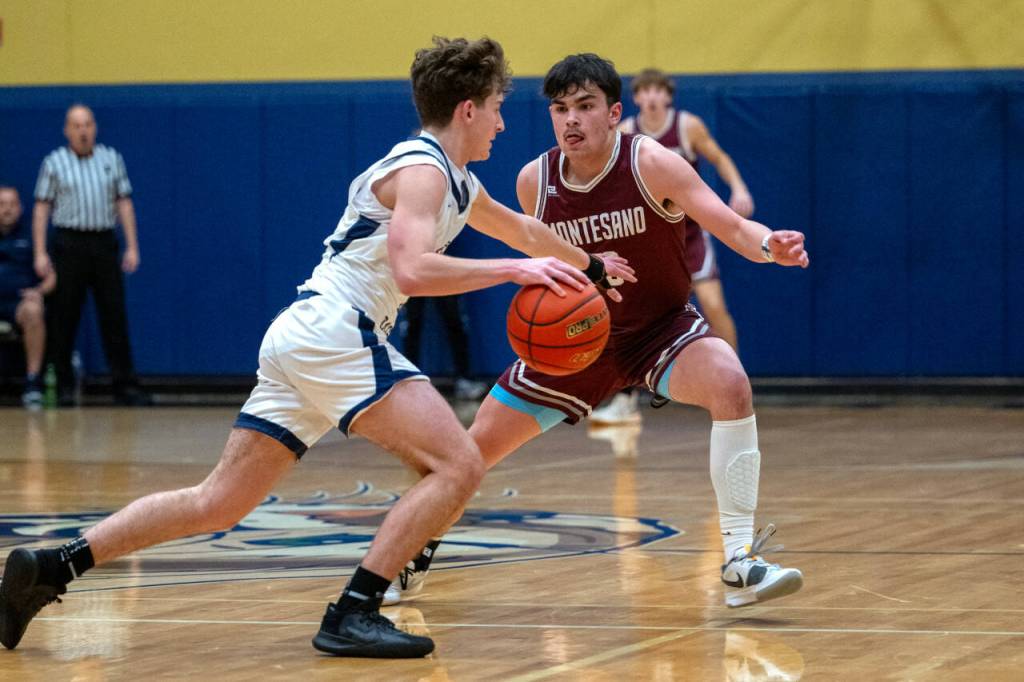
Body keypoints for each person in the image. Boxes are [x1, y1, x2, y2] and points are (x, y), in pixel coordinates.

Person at [0, 37, 633, 659]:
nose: (501, 121)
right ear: (468, 108)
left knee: (218, 502)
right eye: (496, 106)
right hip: (338, 329)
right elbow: (412, 270)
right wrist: (511, 273)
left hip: (308, 335)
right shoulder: (421, 170)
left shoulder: (457, 181)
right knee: (460, 465)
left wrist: (593, 267)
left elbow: (522, 228)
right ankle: (354, 610)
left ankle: (53, 566)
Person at [385, 54, 809, 611]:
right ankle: (410, 555)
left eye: (585, 107)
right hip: (574, 342)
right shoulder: (534, 181)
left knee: (730, 381)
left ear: (615, 115)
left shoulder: (652, 163)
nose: (571, 121)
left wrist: (766, 246)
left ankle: (738, 559)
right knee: (466, 452)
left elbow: (727, 224)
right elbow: (537, 255)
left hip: (659, 330)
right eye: (560, 109)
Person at [591, 68, 755, 425]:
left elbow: (720, 158)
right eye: (643, 91)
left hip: (689, 233)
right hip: (644, 238)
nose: (650, 96)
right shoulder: (625, 132)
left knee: (712, 304)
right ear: (635, 98)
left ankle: (734, 380)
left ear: (668, 96)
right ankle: (626, 398)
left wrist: (739, 188)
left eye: (657, 90)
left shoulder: (687, 126)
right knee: (629, 317)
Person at [31, 104, 150, 407]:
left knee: (114, 316)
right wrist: (41, 251)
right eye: (76, 125)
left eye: (87, 124)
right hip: (69, 244)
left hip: (103, 243)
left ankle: (125, 385)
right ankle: (62, 386)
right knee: (64, 316)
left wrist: (132, 245)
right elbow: (42, 208)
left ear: (94, 127)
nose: (83, 130)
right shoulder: (54, 162)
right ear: (67, 130)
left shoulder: (111, 158)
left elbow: (124, 203)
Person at [0, 187, 55, 408]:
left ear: (20, 208)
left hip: (18, 302)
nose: (7, 210)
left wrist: (39, 292)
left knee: (33, 311)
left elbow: (52, 277)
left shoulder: (33, 236)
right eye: (2, 204)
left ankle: (32, 382)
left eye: (12, 204)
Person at [402, 294, 488, 400]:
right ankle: (409, 382)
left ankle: (465, 379)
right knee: (413, 323)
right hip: (417, 278)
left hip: (440, 278)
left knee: (454, 319)